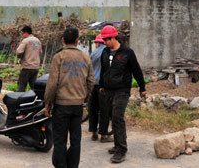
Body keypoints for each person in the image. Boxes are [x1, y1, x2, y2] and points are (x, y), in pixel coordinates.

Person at [44, 27, 94, 168]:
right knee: (75, 140)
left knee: (60, 140)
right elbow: (91, 82)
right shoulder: (85, 57)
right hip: (77, 106)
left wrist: (47, 104)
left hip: (61, 106)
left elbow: (52, 84)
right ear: (78, 41)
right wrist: (84, 98)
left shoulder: (58, 57)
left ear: (63, 40)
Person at [99, 25, 146, 164]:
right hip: (108, 89)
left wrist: (142, 87)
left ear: (114, 37)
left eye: (107, 39)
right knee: (112, 116)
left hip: (122, 90)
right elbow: (103, 70)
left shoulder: (127, 52)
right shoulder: (105, 53)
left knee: (117, 116)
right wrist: (102, 85)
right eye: (104, 40)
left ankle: (121, 150)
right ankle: (117, 144)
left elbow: (136, 70)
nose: (105, 42)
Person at [88, 33, 110, 141]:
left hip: (93, 84)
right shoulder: (108, 52)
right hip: (103, 85)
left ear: (97, 43)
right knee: (104, 109)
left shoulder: (93, 53)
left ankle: (94, 132)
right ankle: (104, 135)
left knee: (93, 109)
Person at [16, 25, 42, 92]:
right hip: (35, 67)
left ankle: (20, 101)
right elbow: (40, 52)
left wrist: (19, 57)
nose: (22, 35)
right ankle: (35, 100)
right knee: (34, 87)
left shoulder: (26, 41)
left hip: (26, 67)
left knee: (21, 87)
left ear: (26, 32)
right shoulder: (38, 41)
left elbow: (19, 52)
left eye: (23, 33)